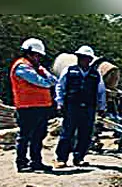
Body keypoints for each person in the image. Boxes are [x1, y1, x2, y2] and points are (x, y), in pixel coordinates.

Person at [9, 38, 58, 173]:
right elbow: (43, 82)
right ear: (28, 53)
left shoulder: (37, 68)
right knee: (25, 136)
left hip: (41, 107)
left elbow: (54, 80)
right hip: (27, 107)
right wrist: (45, 78)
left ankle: (36, 161)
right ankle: (22, 163)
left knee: (39, 135)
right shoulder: (22, 67)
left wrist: (45, 76)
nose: (38, 58)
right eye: (36, 55)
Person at [55, 45, 106, 168]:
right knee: (67, 132)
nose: (82, 60)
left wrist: (102, 107)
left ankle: (79, 158)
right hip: (72, 106)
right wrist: (59, 102)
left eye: (85, 58)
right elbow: (60, 87)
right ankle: (61, 158)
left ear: (90, 60)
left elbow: (101, 91)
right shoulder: (69, 71)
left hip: (89, 107)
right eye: (80, 57)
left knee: (85, 133)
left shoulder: (95, 74)